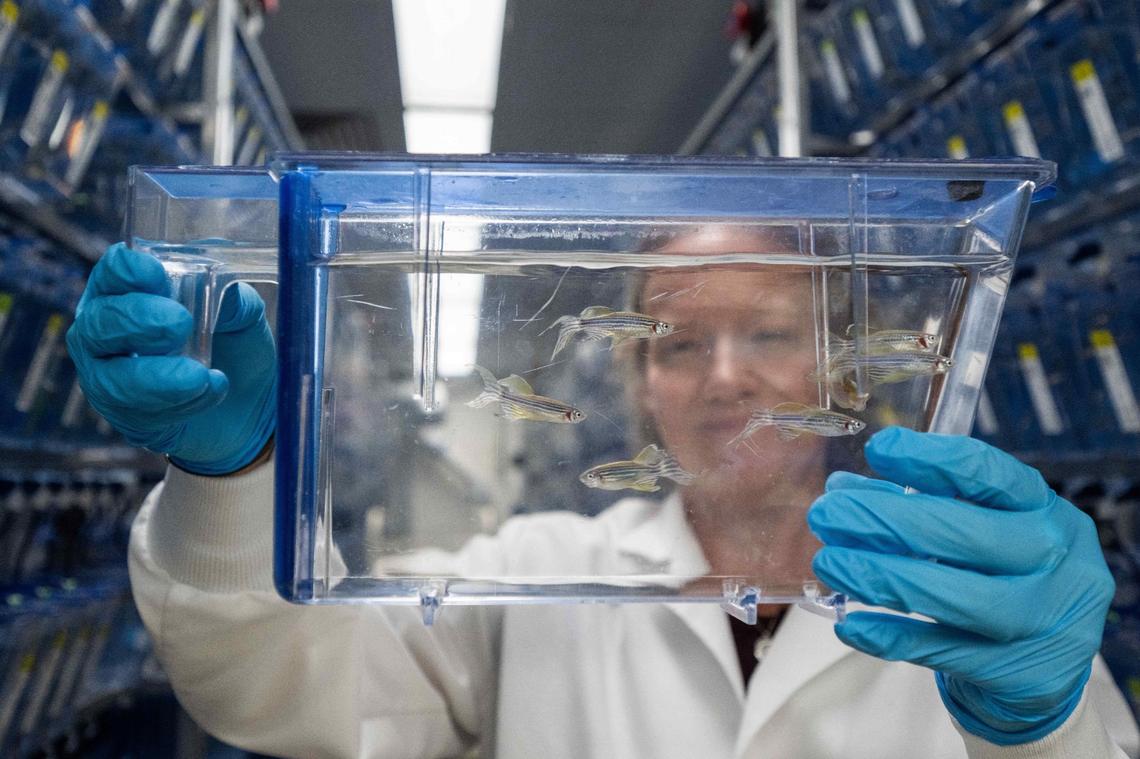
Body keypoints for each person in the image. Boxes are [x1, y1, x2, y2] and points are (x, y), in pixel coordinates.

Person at [67, 240, 1140, 759]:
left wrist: (1045, 724)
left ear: (838, 371)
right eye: (679, 344)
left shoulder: (967, 593)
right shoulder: (528, 570)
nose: (726, 378)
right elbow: (283, 693)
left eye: (768, 334)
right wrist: (227, 484)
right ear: (638, 384)